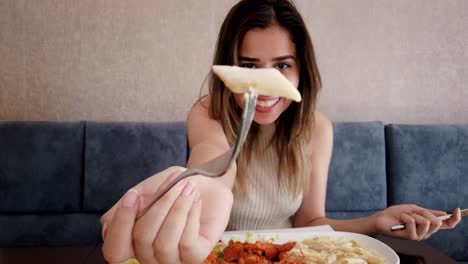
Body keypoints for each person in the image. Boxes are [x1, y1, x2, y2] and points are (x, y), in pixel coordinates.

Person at [100, 0, 462, 263]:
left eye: (282, 66)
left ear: (301, 69)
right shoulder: (208, 111)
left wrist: (377, 222)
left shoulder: (318, 128)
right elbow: (213, 165)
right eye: (249, 66)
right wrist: (203, 187)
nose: (266, 85)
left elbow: (310, 223)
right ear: (230, 69)